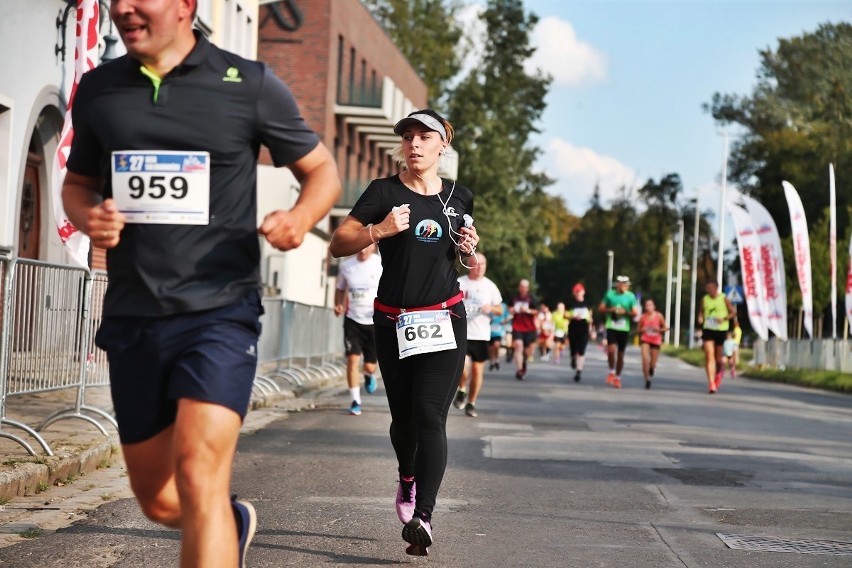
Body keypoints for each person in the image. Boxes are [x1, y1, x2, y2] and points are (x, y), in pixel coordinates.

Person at [60, 2, 340, 566]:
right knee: (160, 500)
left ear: (187, 5)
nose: (122, 7)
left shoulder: (248, 83)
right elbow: (77, 184)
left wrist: (299, 220)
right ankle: (232, 522)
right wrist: (90, 214)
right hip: (135, 315)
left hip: (219, 311)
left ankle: (217, 516)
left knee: (198, 473)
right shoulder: (99, 87)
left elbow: (322, 172)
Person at [328, 109, 479, 556]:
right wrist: (379, 229)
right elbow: (339, 243)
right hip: (393, 321)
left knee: (432, 415)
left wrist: (467, 248)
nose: (414, 143)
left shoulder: (460, 196)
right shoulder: (384, 192)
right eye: (408, 136)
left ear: (441, 146)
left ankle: (424, 517)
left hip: (444, 318)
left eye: (423, 136)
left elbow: (457, 255)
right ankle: (407, 476)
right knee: (405, 420)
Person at [334, 243, 382, 415]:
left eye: (367, 247)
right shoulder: (347, 266)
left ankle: (368, 375)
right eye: (360, 247)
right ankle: (355, 401)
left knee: (369, 366)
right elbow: (340, 288)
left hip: (374, 321)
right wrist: (338, 304)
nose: (362, 250)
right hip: (353, 319)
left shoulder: (380, 263)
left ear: (373, 247)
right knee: (352, 361)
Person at [454, 252, 503, 417]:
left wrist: (491, 309)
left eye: (483, 264)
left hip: (481, 334)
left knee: (477, 370)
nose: (480, 267)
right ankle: (461, 389)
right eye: (477, 264)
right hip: (462, 332)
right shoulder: (460, 283)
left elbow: (499, 310)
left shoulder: (490, 286)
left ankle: (471, 402)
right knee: (463, 366)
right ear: (469, 265)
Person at [598, 276, 639, 388]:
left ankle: (618, 377)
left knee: (620, 355)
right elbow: (601, 308)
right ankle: (611, 371)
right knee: (611, 351)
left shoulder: (630, 296)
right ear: (617, 284)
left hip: (624, 328)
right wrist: (611, 310)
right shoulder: (610, 294)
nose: (624, 286)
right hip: (611, 325)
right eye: (621, 283)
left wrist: (625, 312)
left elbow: (635, 313)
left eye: (626, 284)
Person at [697, 280, 735, 394]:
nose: (708, 291)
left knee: (718, 359)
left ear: (716, 288)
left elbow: (733, 312)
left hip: (721, 330)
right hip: (708, 329)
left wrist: (723, 319)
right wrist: (700, 318)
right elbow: (701, 312)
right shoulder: (704, 299)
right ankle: (711, 383)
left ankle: (718, 373)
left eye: (710, 288)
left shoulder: (724, 298)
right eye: (707, 289)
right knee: (709, 355)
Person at [509, 279, 540, 380]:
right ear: (519, 287)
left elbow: (537, 311)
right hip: (517, 326)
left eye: (525, 287)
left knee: (526, 351)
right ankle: (519, 370)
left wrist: (528, 310)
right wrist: (512, 310)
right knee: (518, 346)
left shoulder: (532, 298)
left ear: (527, 288)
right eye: (521, 287)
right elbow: (509, 308)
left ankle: (524, 363)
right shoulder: (514, 297)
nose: (523, 289)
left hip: (529, 328)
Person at [637, 299, 668, 389]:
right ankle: (647, 380)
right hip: (645, 339)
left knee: (653, 363)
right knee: (645, 360)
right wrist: (642, 330)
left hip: (655, 340)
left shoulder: (659, 316)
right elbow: (638, 329)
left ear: (654, 307)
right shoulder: (643, 317)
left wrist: (658, 330)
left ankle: (651, 368)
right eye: (646, 305)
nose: (648, 307)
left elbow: (665, 328)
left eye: (650, 305)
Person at [567, 283, 595, 382]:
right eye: (576, 292)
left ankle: (579, 372)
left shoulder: (588, 303)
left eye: (580, 291)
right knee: (573, 349)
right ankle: (573, 357)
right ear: (574, 293)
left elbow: (591, 317)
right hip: (573, 328)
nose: (578, 293)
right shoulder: (570, 303)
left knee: (582, 351)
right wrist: (573, 317)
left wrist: (592, 330)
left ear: (583, 292)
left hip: (584, 328)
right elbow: (565, 315)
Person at [488, 300, 509, 371]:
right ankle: (492, 361)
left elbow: (508, 316)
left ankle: (496, 360)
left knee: (496, 345)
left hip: (499, 330)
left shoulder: (503, 306)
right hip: (489, 329)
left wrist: (504, 321)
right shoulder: (488, 304)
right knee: (490, 348)